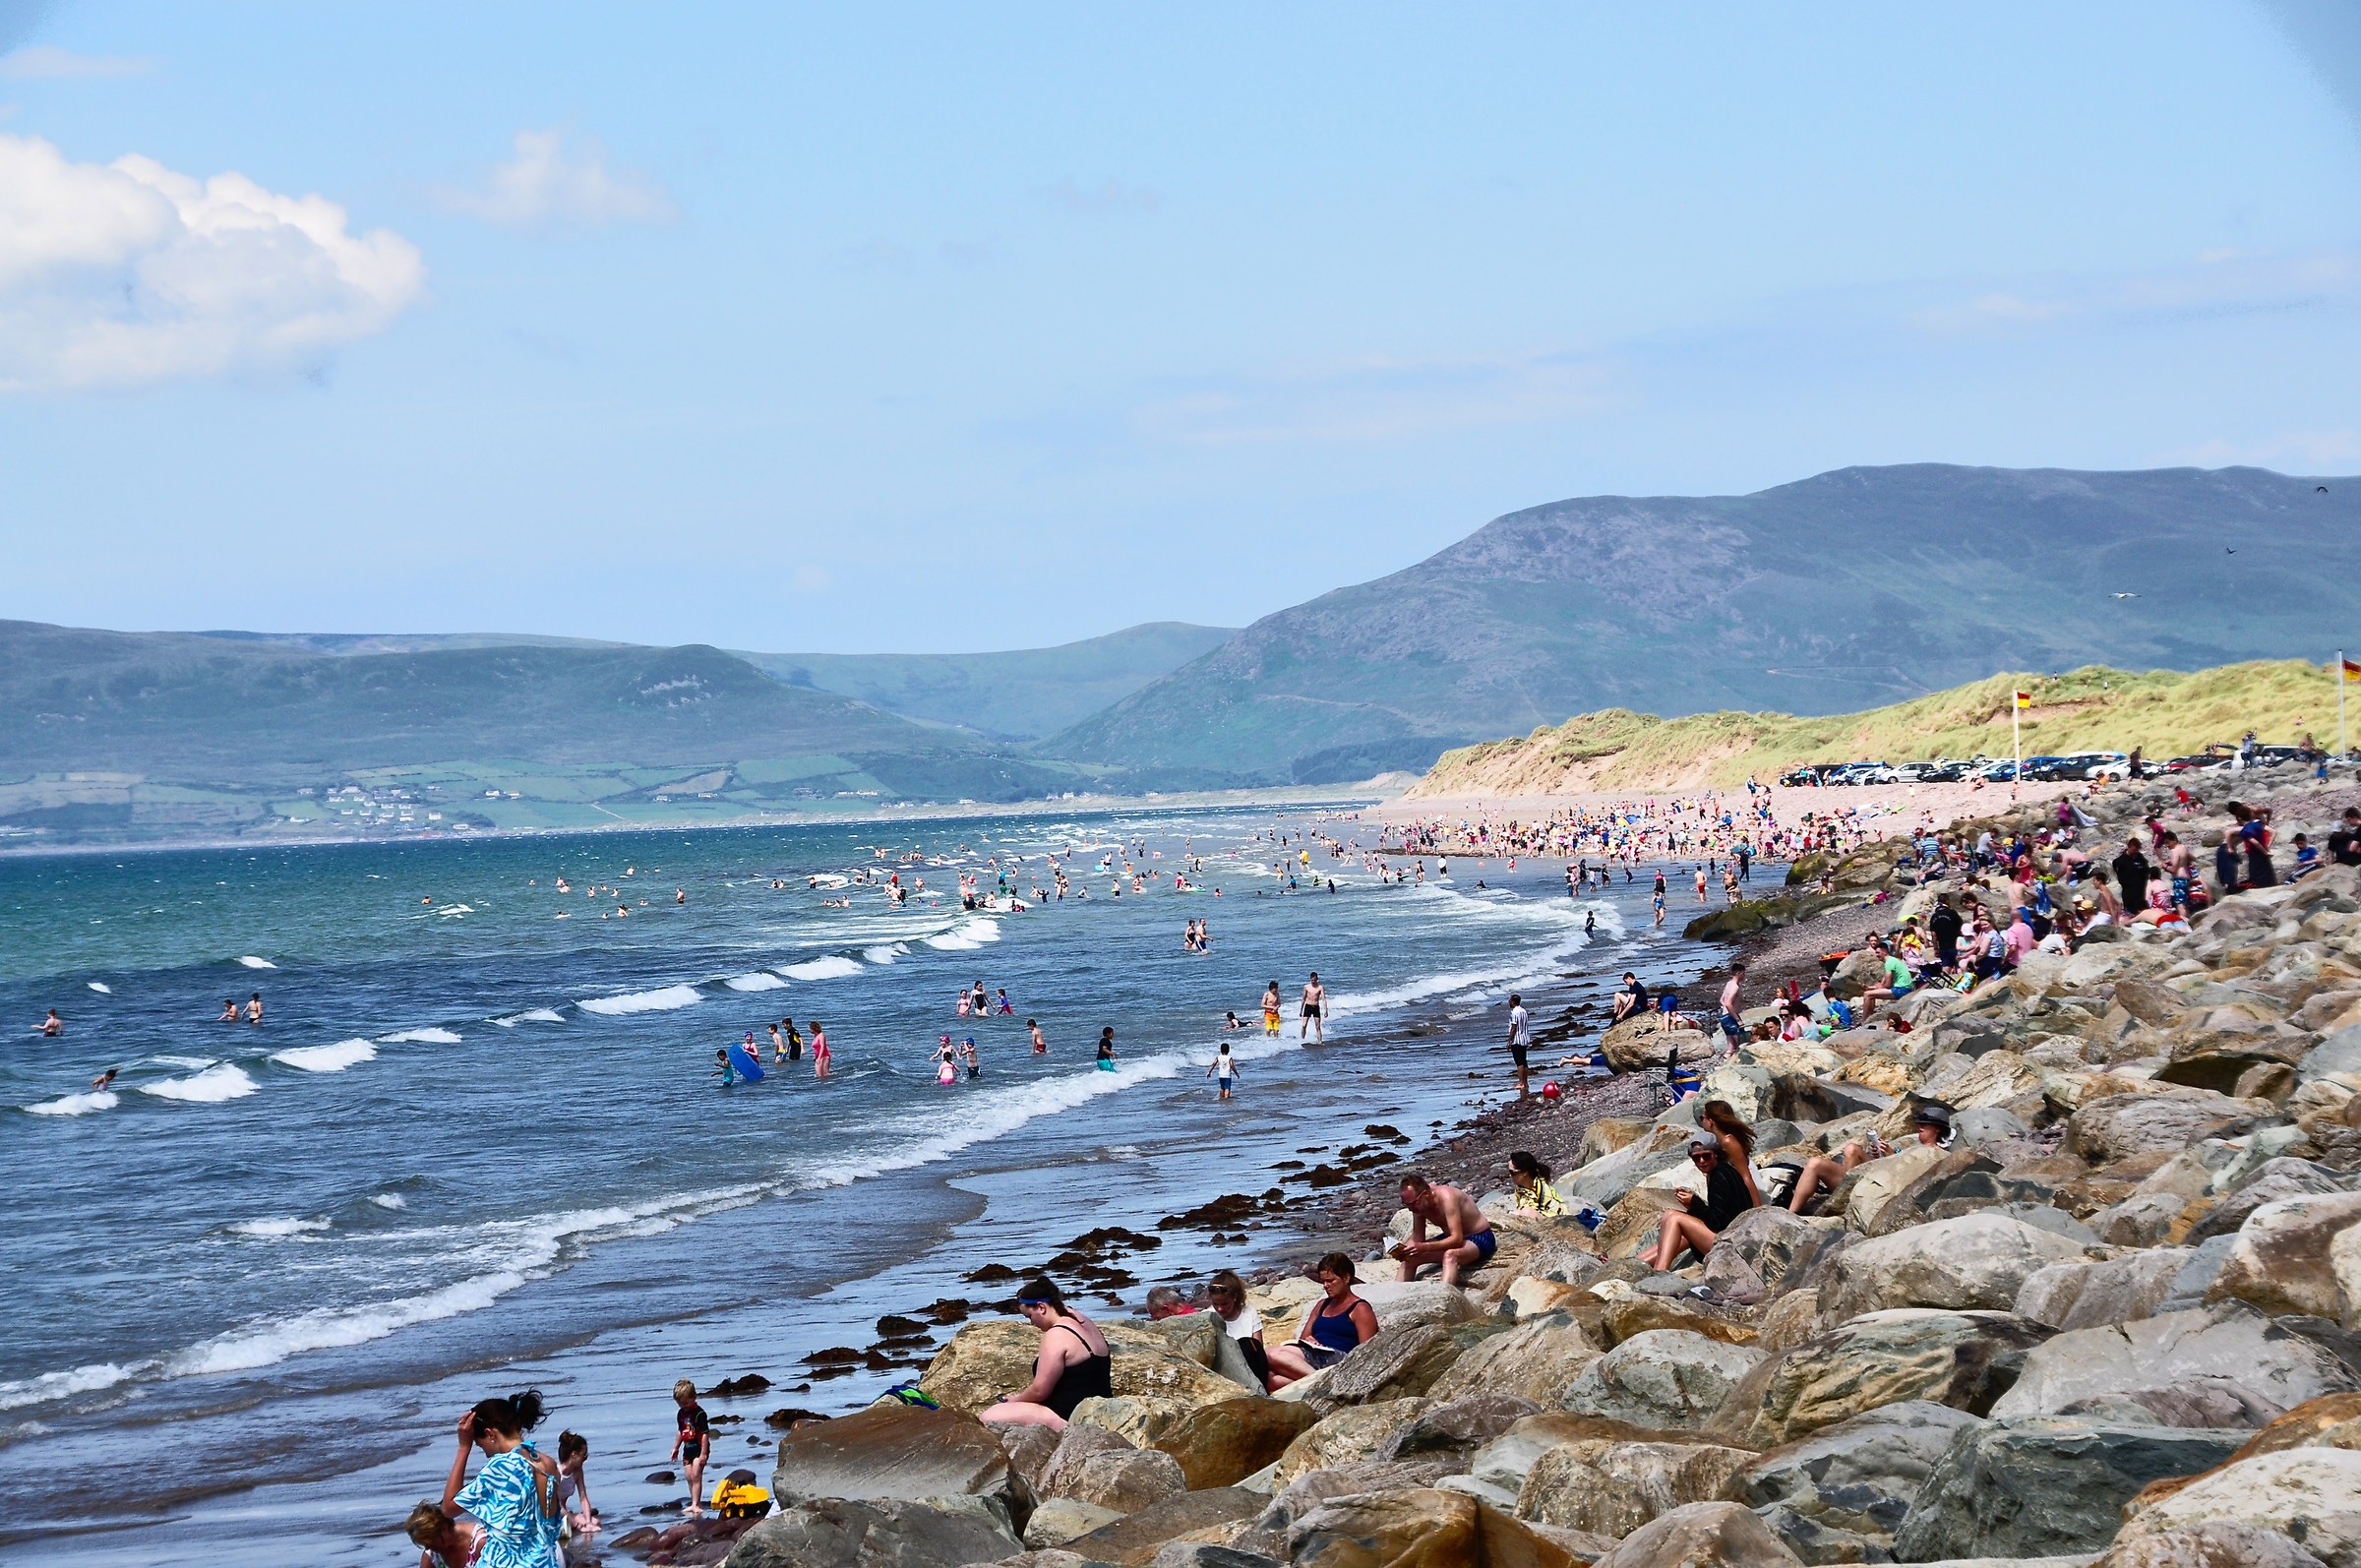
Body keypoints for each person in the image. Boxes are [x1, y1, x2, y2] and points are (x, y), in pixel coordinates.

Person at [434, 1390, 559, 1567]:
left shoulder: (502, 1466)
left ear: (490, 1434)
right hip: (545, 1561)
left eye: (479, 1444)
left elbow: (448, 1508)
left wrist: (463, 1448)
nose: (485, 1453)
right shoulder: (548, 1464)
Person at [978, 1278, 1112, 1431]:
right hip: (1100, 1407)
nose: (1032, 1323)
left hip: (1069, 1416)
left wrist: (1016, 1400)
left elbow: (1040, 1391)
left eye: (1029, 1316)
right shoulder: (1081, 1320)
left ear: (1041, 1307)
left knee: (989, 1417)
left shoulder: (1057, 1334)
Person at [1643, 1130, 1757, 1270]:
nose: (1702, 1161)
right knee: (1672, 1219)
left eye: (1706, 1156)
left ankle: (1660, 1271)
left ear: (1715, 1153)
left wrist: (1694, 1203)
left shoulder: (1719, 1176)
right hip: (1733, 1238)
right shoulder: (1723, 1170)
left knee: (1674, 1218)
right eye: (1696, 1158)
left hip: (1733, 1246)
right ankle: (1637, 1263)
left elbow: (1716, 1222)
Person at [1264, 1252, 1378, 1390]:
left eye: (1330, 1281)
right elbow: (1304, 1337)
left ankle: (1325, 1383)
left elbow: (1368, 1350)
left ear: (1346, 1278)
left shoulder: (1359, 1308)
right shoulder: (1322, 1305)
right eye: (1323, 1281)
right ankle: (1317, 1386)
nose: (1325, 1285)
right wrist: (1310, 1340)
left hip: (1339, 1358)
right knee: (1270, 1378)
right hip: (1315, 1353)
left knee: (1272, 1354)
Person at [1393, 1173, 1496, 1287]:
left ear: (1425, 1194)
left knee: (1450, 1256)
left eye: (1412, 1204)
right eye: (1407, 1205)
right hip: (1451, 1238)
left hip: (1480, 1237)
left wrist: (1424, 1247)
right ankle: (1395, 1296)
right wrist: (1403, 1250)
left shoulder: (1447, 1198)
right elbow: (1418, 1237)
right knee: (1409, 1259)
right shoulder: (1419, 1206)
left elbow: (1457, 1239)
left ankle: (1443, 1298)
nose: (1411, 1209)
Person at [1695, 1099, 1766, 1207]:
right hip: (1735, 1190)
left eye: (1702, 1118)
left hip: (1748, 1192)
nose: (1701, 1122)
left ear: (1710, 1121)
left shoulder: (1728, 1142)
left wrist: (1757, 1208)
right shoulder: (1716, 1143)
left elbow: (1746, 1176)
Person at [1206, 1269, 1270, 1389]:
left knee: (1247, 1344)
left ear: (1235, 1297)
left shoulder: (1249, 1312)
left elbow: (1259, 1348)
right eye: (1216, 1304)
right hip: (1227, 1371)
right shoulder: (1208, 1316)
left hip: (1252, 1367)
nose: (1219, 1309)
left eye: (1225, 1304)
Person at [670, 1380, 711, 1516]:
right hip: (687, 1450)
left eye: (686, 1403)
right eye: (680, 1403)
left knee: (696, 1475)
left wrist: (704, 1453)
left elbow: (705, 1434)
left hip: (699, 1449)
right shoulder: (681, 1414)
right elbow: (680, 1432)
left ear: (694, 1397)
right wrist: (675, 1448)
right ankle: (694, 1501)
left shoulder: (699, 1414)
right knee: (688, 1476)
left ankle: (696, 1503)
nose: (684, 1406)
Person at [405, 1500, 482, 1568]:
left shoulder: (480, 1542)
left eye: (431, 1541)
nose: (428, 1547)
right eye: (425, 1544)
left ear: (444, 1528)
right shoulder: (433, 1555)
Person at [555, 1430, 595, 1538]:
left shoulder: (577, 1472)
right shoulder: (557, 1472)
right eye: (584, 1455)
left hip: (565, 1513)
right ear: (574, 1454)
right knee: (570, 1531)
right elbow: (555, 1504)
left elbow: (583, 1498)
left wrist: (588, 1522)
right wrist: (577, 1525)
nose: (585, 1458)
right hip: (555, 1513)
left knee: (595, 1522)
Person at [1507, 1150, 1565, 1216]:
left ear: (1525, 1173)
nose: (1510, 1175)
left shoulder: (1542, 1189)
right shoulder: (1520, 1189)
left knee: (1526, 1212)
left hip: (1555, 1217)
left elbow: (1550, 1214)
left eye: (1512, 1172)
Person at [2112, 838, 2152, 913]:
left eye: (2137, 850)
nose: (2135, 852)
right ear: (2129, 847)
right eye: (2134, 850)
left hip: (2141, 891)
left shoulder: (2140, 858)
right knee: (2130, 913)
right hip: (2129, 893)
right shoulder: (2120, 861)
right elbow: (2120, 875)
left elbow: (2146, 870)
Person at [1504, 993, 1532, 1096]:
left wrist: (1509, 1040)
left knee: (1519, 1062)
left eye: (1510, 1000)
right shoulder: (1524, 1011)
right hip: (1525, 1038)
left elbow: (1513, 1027)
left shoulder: (1514, 1013)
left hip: (1517, 1039)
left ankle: (1521, 1082)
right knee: (1524, 1062)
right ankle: (1525, 1082)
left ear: (1513, 1001)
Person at [1716, 965, 1746, 1054]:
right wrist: (1737, 1019)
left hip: (1724, 1017)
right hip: (1731, 1017)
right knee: (1740, 1044)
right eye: (1743, 973)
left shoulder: (1729, 984)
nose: (1744, 976)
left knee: (1731, 1046)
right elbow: (1728, 1003)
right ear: (1738, 973)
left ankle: (1727, 1059)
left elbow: (1722, 1000)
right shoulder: (1735, 987)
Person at [1300, 973, 1325, 1043]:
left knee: (1318, 1026)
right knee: (1304, 1025)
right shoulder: (1306, 987)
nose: (1313, 982)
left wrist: (1326, 1010)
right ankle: (1302, 1040)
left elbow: (1323, 999)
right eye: (1312, 980)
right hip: (1308, 1006)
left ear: (1317, 979)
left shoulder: (1320, 987)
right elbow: (1303, 999)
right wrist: (1301, 1010)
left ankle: (1320, 1041)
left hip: (1316, 1007)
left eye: (1314, 980)